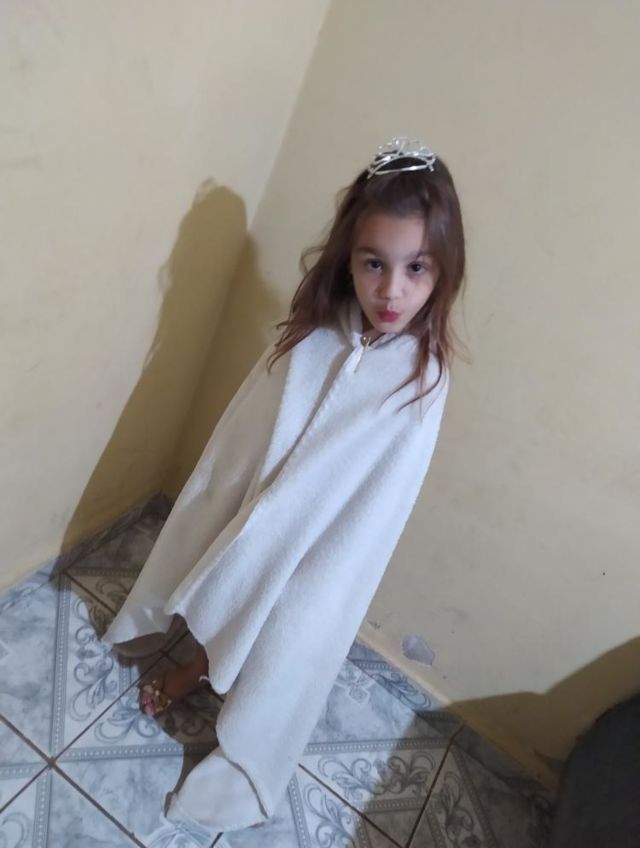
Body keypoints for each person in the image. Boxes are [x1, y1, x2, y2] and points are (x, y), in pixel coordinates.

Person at [100, 135, 466, 838]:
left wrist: (309, 547)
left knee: (280, 625)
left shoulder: (423, 380)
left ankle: (209, 687)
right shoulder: (315, 331)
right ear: (348, 258)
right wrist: (246, 497)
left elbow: (378, 502)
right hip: (258, 500)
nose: (392, 290)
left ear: (443, 269)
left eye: (417, 267)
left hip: (321, 538)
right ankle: (189, 649)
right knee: (222, 565)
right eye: (374, 263)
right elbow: (248, 429)